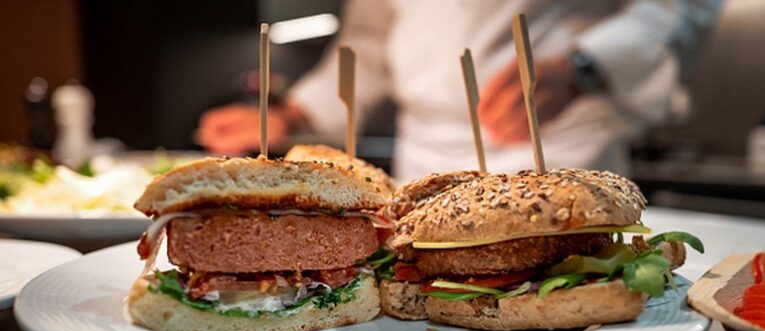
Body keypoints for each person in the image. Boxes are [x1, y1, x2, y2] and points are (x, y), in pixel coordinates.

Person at [199, 0, 722, 184]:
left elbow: (680, 6)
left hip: (558, 145)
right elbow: (370, 43)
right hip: (423, 160)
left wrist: (585, 65)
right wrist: (292, 112)